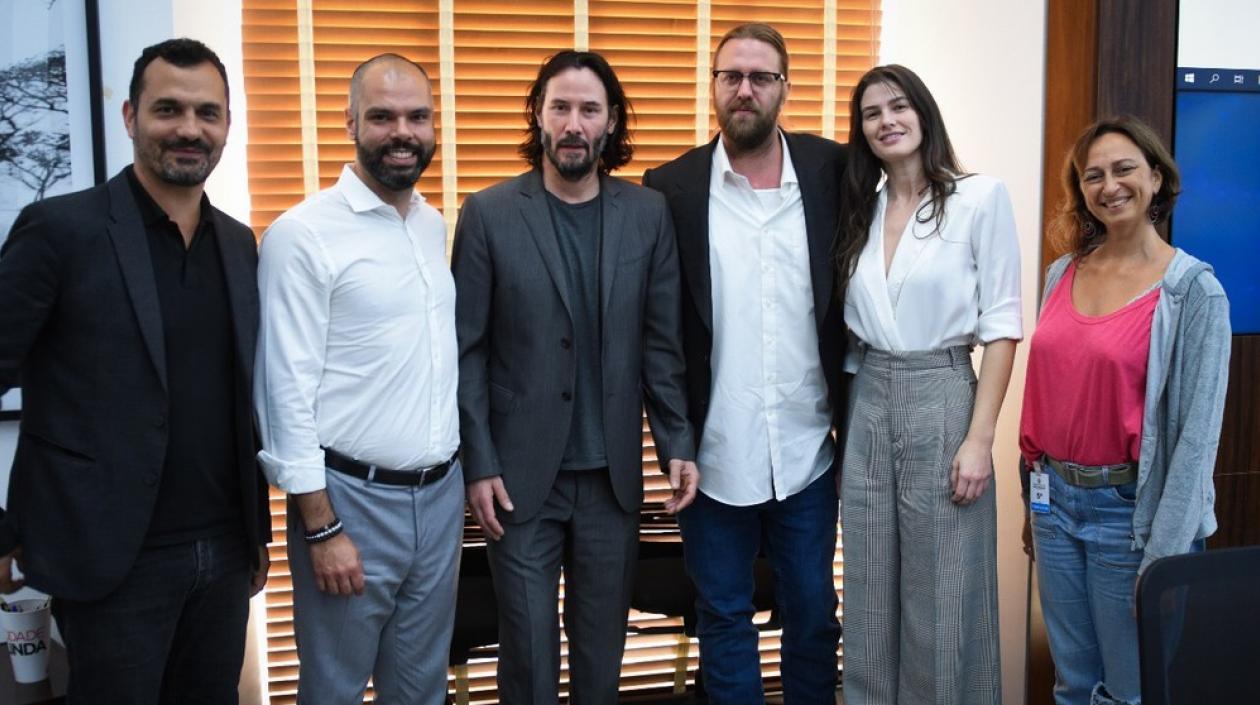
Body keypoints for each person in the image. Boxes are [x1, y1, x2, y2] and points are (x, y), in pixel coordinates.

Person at [0, 38, 270, 704]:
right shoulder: (59, 231)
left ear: (227, 124)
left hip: (224, 555)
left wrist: (255, 537)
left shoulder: (240, 244)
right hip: (111, 563)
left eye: (208, 113)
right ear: (130, 116)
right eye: (168, 109)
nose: (189, 129)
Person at [453, 50, 698, 705]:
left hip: (611, 485)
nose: (573, 123)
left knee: (600, 663)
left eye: (589, 109)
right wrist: (479, 462)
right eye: (559, 107)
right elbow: (466, 351)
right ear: (537, 115)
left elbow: (661, 347)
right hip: (517, 483)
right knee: (529, 661)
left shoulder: (647, 214)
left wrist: (677, 443)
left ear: (610, 122)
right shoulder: (488, 214)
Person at [643, 23, 847, 704]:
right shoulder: (670, 188)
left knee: (813, 616)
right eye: (731, 75)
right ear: (713, 86)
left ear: (784, 88)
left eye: (761, 77)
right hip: (713, 456)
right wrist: (674, 441)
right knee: (723, 617)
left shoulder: (832, 171)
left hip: (807, 452)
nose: (745, 89)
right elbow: (661, 336)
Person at [254, 54, 461, 705]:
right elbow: (283, 392)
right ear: (350, 123)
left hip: (441, 497)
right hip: (350, 503)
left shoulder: (430, 222)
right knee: (335, 690)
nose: (402, 132)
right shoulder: (302, 235)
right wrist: (321, 527)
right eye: (382, 116)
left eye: (417, 117)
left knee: (421, 690)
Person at [1019, 115, 1230, 705]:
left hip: (1130, 519)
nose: (1109, 185)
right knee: (1072, 685)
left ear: (1157, 178)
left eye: (1124, 169)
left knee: (1127, 693)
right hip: (1054, 505)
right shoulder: (1061, 273)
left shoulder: (1194, 292)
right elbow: (1046, 395)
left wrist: (1162, 559)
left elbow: (1196, 444)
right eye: (1094, 176)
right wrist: (1031, 501)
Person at [833, 64, 1021, 705]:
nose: (886, 121)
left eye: (898, 106)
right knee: (868, 590)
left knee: (942, 589)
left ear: (924, 113)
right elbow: (849, 338)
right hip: (869, 396)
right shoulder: (861, 208)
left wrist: (980, 439)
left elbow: (1002, 327)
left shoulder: (979, 198)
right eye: (871, 113)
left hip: (943, 391)